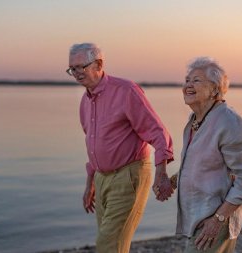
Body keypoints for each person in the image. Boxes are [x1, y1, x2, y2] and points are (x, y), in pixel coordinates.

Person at [67, 43, 174, 253]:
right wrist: (90, 182)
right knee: (112, 243)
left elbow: (158, 133)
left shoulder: (126, 91)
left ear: (98, 64)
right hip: (101, 178)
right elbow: (92, 143)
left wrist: (161, 172)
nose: (77, 73)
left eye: (81, 67)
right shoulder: (85, 101)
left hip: (128, 175)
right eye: (72, 69)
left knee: (109, 244)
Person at [174, 57, 242, 252]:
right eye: (187, 80)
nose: (188, 86)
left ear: (214, 89)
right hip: (198, 216)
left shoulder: (228, 121)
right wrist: (175, 180)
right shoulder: (195, 120)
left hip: (215, 217)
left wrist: (218, 219)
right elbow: (207, 164)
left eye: (196, 80)